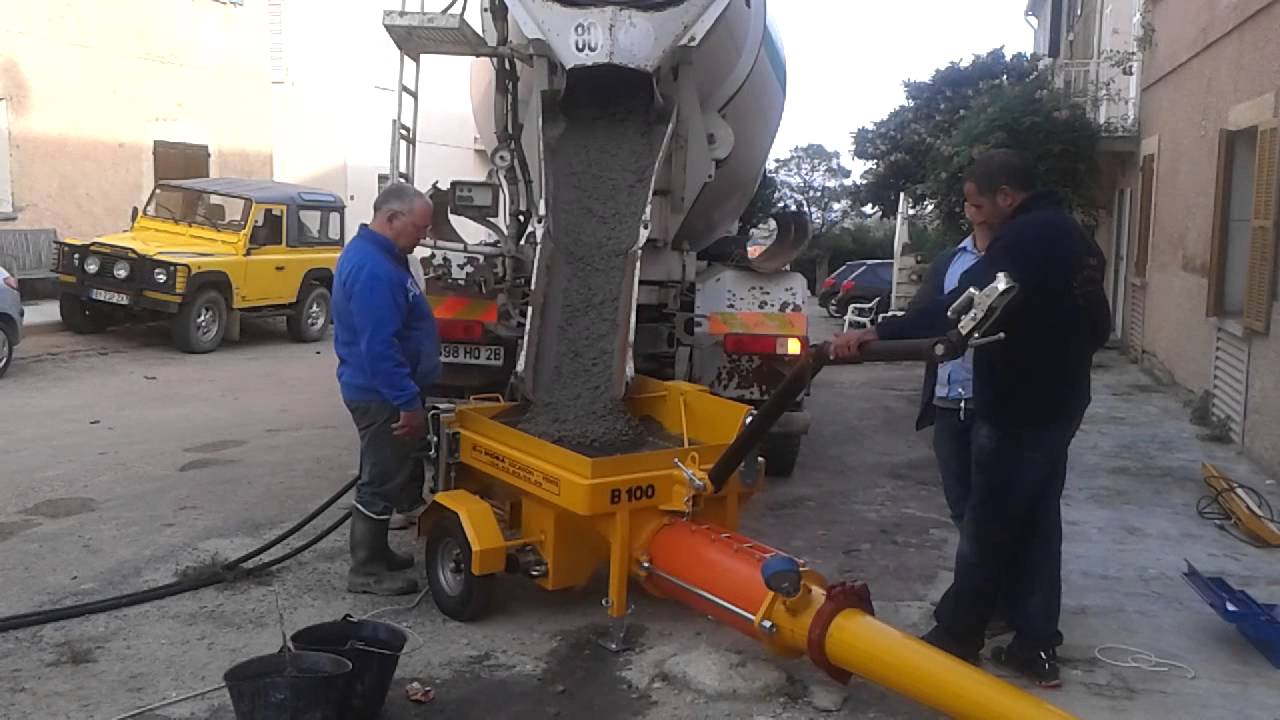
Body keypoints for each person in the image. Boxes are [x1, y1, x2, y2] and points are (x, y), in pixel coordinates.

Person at [833, 149, 1111, 686]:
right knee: (1035, 522)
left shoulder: (1024, 239)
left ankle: (958, 635)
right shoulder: (1075, 239)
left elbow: (963, 304)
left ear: (1007, 196)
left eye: (977, 203)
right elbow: (1098, 326)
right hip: (1062, 404)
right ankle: (1034, 646)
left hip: (1018, 407)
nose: (974, 213)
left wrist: (880, 332)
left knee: (988, 523)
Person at [333, 183, 440, 596]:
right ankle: (365, 570)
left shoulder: (383, 258)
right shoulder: (376, 270)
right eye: (420, 228)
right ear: (392, 219)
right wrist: (406, 402)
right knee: (379, 480)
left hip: (381, 391)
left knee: (385, 472)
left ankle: (377, 555)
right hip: (381, 395)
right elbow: (379, 347)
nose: (423, 237)